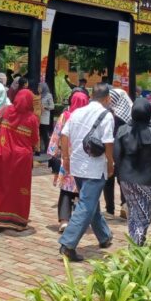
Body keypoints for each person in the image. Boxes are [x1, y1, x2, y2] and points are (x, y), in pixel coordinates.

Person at [57, 83, 115, 261]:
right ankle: (68, 243)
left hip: (77, 165)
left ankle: (104, 236)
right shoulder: (106, 115)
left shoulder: (77, 112)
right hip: (94, 167)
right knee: (86, 205)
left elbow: (64, 135)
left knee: (90, 202)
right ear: (106, 98)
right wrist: (110, 164)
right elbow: (108, 142)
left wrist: (66, 158)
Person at [0, 89, 39, 231]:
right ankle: (17, 221)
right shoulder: (32, 119)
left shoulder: (6, 111)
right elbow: (34, 140)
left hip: (2, 154)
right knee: (17, 189)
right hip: (22, 159)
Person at [113, 98, 151, 245]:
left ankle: (135, 240)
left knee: (134, 212)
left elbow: (116, 156)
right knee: (144, 216)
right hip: (146, 180)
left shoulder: (122, 130)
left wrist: (120, 175)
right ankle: (136, 245)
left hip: (126, 178)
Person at [48, 91, 88, 232]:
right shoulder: (89, 118)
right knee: (82, 191)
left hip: (67, 158)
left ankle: (64, 220)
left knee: (65, 190)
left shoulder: (65, 116)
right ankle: (79, 221)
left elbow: (57, 134)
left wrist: (53, 153)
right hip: (84, 160)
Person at [105, 88, 133, 220]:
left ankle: (109, 210)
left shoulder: (110, 115)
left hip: (111, 151)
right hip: (126, 152)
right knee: (123, 180)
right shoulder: (130, 114)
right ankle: (125, 205)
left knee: (108, 180)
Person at [38, 82, 55, 154]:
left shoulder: (48, 95)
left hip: (45, 117)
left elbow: (52, 106)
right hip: (38, 116)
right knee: (38, 133)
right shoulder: (38, 95)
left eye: (40, 87)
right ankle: (38, 149)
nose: (39, 89)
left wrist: (45, 107)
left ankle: (46, 148)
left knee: (45, 133)